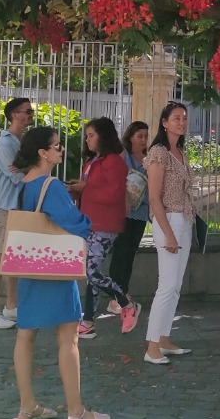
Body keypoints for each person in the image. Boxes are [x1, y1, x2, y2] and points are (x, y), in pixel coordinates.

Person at [10, 125, 110, 419]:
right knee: (68, 337)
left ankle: (27, 406)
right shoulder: (51, 185)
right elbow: (74, 222)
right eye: (56, 146)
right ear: (43, 152)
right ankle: (76, 412)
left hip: (29, 267)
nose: (61, 150)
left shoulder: (25, 184)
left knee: (25, 334)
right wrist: (87, 221)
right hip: (54, 267)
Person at [69, 117, 139, 339]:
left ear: (103, 136)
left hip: (106, 224)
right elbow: (92, 190)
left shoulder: (114, 162)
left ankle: (126, 302)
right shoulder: (92, 163)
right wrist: (75, 190)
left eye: (91, 135)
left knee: (92, 272)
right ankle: (87, 321)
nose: (87, 140)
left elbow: (113, 194)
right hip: (89, 222)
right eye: (87, 136)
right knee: (92, 274)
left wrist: (85, 188)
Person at [144, 102, 197, 365]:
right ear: (164, 122)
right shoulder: (159, 153)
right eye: (176, 118)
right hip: (169, 221)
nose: (181, 122)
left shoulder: (181, 152)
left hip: (184, 220)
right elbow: (155, 198)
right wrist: (168, 234)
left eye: (184, 118)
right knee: (166, 286)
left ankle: (164, 337)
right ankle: (152, 345)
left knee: (175, 287)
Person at [0, 97, 33, 329]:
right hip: (6, 207)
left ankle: (11, 305)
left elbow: (23, 169)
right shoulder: (5, 144)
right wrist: (29, 169)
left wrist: (25, 167)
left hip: (18, 207)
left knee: (13, 258)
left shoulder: (19, 142)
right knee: (1, 256)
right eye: (27, 111)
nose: (30, 115)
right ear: (14, 114)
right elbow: (17, 176)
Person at [106, 121, 150, 304]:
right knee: (120, 252)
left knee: (130, 253)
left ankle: (123, 291)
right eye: (139, 136)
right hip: (124, 211)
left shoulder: (149, 159)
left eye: (146, 136)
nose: (143, 140)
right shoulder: (124, 156)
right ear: (130, 137)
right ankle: (116, 295)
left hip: (141, 212)